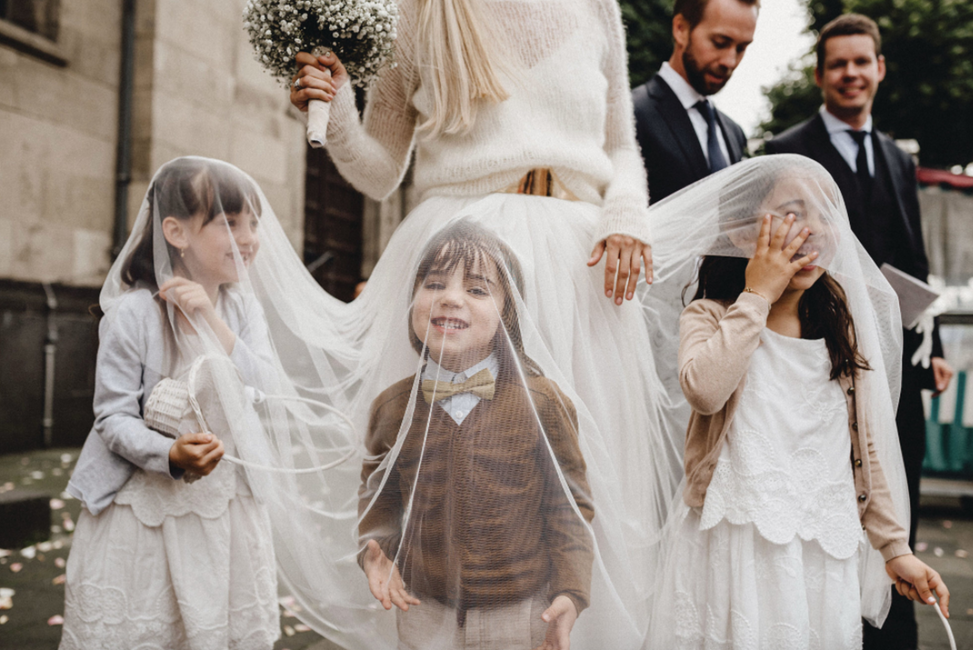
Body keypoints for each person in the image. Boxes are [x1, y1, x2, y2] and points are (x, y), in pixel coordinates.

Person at [285, 0, 686, 647]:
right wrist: (335, 112)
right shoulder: (417, 11)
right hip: (457, 260)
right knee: (430, 466)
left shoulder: (596, 8)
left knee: (579, 478)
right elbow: (379, 170)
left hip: (574, 265)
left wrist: (625, 214)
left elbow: (620, 147)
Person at [644, 155, 949, 649]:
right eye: (792, 211)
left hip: (819, 548)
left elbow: (866, 448)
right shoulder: (711, 316)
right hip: (730, 542)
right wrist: (757, 294)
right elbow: (704, 389)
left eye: (825, 213)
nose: (814, 228)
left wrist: (895, 549)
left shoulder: (840, 329)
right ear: (742, 234)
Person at [764, 15, 953, 646]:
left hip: (896, 365)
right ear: (821, 75)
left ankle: (898, 631)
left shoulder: (899, 159)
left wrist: (934, 352)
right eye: (838, 63)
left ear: (878, 68)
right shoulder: (785, 150)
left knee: (899, 498)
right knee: (832, 504)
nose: (851, 73)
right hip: (818, 362)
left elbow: (916, 262)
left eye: (861, 62)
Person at [60, 158, 280, 650]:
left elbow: (265, 387)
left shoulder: (242, 310)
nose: (247, 238)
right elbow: (112, 416)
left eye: (253, 223)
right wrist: (170, 455)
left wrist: (213, 322)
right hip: (147, 511)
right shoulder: (133, 315)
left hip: (227, 504)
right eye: (228, 223)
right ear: (176, 232)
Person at [359, 222, 594, 650]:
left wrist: (570, 593)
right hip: (422, 610)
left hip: (520, 614)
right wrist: (376, 553)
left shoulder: (542, 403)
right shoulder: (393, 408)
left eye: (477, 289)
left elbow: (569, 506)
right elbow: (378, 496)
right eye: (434, 284)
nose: (451, 297)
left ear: (508, 313)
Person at [631, 0, 757, 204]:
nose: (730, 61)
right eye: (720, 42)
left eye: (741, 48)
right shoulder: (631, 113)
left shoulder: (734, 133)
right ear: (680, 29)